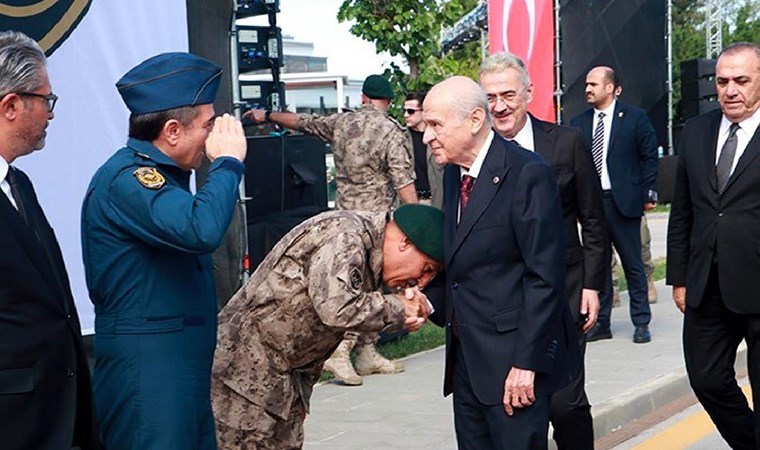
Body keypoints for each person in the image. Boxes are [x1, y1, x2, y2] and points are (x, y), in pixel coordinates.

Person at [81, 52, 247, 449]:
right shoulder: (129, 180)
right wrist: (226, 165)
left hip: (176, 371)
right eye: (208, 126)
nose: (212, 136)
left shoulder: (166, 179)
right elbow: (201, 228)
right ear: (172, 131)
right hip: (149, 375)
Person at [422, 76, 579, 450]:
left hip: (514, 368)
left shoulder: (527, 173)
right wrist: (428, 302)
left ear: (475, 120)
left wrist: (526, 364)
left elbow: (544, 277)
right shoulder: (452, 174)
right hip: (466, 365)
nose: (426, 136)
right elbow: (460, 267)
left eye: (435, 125)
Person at [212, 204, 442, 448]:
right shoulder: (345, 234)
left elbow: (315, 328)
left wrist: (300, 399)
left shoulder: (368, 252)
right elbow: (337, 309)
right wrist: (397, 308)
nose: (422, 281)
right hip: (241, 380)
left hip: (280, 383)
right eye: (427, 268)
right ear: (405, 242)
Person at [245, 74, 417, 385]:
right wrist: (416, 221)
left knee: (352, 286)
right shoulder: (391, 131)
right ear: (388, 102)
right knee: (367, 289)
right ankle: (342, 351)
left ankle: (366, 355)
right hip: (376, 224)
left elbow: (301, 122)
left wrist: (266, 115)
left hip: (343, 219)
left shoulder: (341, 123)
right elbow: (403, 181)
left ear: (363, 98)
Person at [479, 52, 605, 450]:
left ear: (529, 93)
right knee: (518, 404)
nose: (499, 106)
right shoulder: (478, 155)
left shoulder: (566, 143)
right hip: (505, 301)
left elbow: (594, 219)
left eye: (508, 94)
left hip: (565, 291)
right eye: (490, 97)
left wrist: (592, 285)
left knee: (566, 403)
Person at [0, 30, 99, 450]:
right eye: (46, 100)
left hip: (54, 415)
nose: (51, 114)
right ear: (10, 105)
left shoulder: (18, 183)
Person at [667, 42, 760, 450]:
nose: (730, 90)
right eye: (722, 81)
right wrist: (679, 276)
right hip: (707, 284)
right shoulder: (697, 131)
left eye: (741, 80)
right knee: (705, 378)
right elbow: (682, 211)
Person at [570, 66, 658, 343]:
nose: (587, 89)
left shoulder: (634, 118)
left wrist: (648, 192)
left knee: (633, 265)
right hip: (591, 206)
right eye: (586, 84)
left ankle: (641, 322)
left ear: (610, 87)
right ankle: (601, 322)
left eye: (593, 84)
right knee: (598, 266)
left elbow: (649, 157)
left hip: (624, 202)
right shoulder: (578, 123)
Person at [404, 91, 444, 208]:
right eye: (404, 111)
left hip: (436, 201)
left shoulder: (438, 136)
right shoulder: (400, 138)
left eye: (411, 111)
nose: (406, 115)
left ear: (423, 112)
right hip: (409, 203)